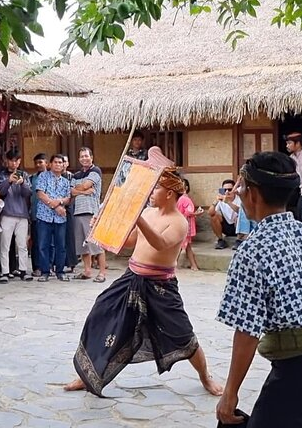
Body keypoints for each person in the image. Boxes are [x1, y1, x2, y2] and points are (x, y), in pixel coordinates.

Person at [215, 152, 302, 427]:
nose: (239, 194)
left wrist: (230, 393)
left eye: (242, 187)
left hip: (301, 374)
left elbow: (247, 331)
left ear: (252, 193)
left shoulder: (252, 251)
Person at [64, 165, 223, 397]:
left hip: (161, 287)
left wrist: (137, 217)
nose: (150, 194)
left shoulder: (178, 222)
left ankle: (205, 376)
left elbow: (159, 243)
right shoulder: (148, 214)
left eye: (155, 188)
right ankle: (88, 374)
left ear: (169, 193)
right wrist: (101, 226)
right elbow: (130, 242)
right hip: (132, 278)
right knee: (101, 313)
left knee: (183, 335)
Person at [0, 149, 33, 282]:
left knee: (22, 245)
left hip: (22, 214)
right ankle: (5, 272)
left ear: (19, 161)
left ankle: (23, 270)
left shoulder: (25, 175)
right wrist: (8, 181)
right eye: (11, 160)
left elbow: (28, 193)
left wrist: (22, 184)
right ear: (7, 161)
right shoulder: (1, 175)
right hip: (7, 214)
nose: (13, 163)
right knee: (5, 244)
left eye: (16, 160)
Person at [71, 147, 107, 282]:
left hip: (92, 212)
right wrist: (83, 191)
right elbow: (72, 192)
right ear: (79, 159)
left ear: (92, 157)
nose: (84, 158)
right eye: (82, 156)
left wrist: (79, 188)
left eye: (87, 156)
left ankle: (102, 272)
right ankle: (87, 271)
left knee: (96, 244)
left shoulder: (95, 171)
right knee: (83, 245)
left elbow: (86, 185)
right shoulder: (76, 175)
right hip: (78, 212)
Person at [35, 154, 71, 282]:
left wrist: (60, 202)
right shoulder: (43, 176)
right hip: (45, 216)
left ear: (63, 165)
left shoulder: (66, 181)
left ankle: (60, 271)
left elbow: (68, 198)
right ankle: (45, 271)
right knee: (43, 245)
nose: (58, 164)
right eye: (55, 162)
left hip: (60, 218)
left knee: (61, 245)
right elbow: (40, 194)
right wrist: (55, 206)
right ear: (50, 164)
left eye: (60, 163)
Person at [176, 178, 205, 270]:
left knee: (181, 246)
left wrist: (196, 213)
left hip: (183, 225)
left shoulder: (182, 199)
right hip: (184, 224)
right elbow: (188, 212)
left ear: (186, 187)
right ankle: (193, 265)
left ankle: (173, 264)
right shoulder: (184, 199)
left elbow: (187, 212)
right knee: (185, 246)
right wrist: (197, 213)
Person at [207, 179, 240, 249]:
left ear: (234, 189)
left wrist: (228, 202)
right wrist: (215, 201)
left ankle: (239, 240)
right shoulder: (221, 200)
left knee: (239, 217)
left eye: (229, 189)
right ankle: (220, 240)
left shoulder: (239, 198)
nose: (227, 192)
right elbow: (210, 213)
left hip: (238, 226)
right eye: (225, 190)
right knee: (214, 216)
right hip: (227, 227)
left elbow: (240, 212)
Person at [30, 153, 48, 277]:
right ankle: (37, 267)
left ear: (47, 163)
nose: (38, 165)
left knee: (49, 243)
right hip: (35, 215)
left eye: (41, 162)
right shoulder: (32, 179)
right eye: (36, 163)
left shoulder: (52, 178)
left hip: (50, 215)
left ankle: (49, 266)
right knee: (36, 243)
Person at [62, 155, 79, 272]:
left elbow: (75, 192)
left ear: (68, 164)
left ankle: (72, 263)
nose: (62, 164)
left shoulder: (72, 177)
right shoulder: (51, 176)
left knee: (70, 236)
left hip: (70, 207)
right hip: (56, 207)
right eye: (60, 162)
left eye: (64, 162)